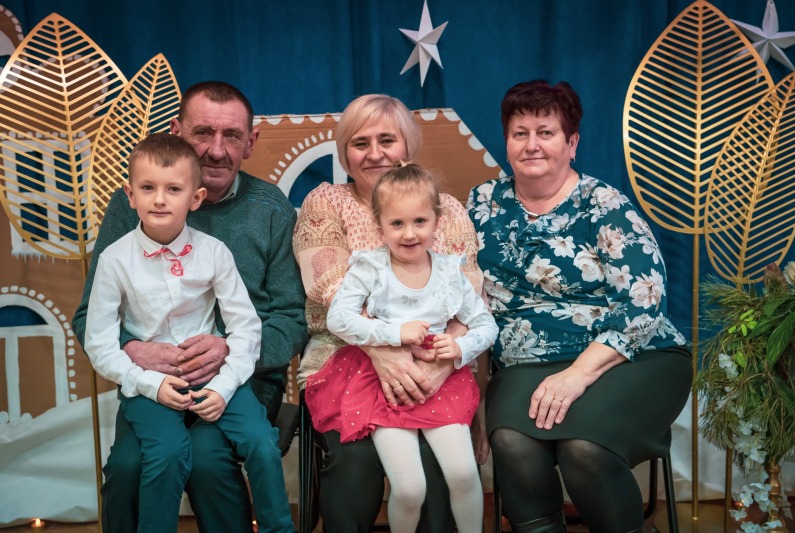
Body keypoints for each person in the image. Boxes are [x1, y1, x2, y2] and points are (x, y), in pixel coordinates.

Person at [72, 81, 307, 533]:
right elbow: (90, 318)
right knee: (127, 467)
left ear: (250, 142)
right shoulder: (133, 206)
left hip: (245, 374)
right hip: (152, 374)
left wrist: (230, 350)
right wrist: (133, 349)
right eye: (203, 133)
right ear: (177, 131)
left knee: (206, 459)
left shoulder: (270, 209)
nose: (216, 150)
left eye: (231, 136)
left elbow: (292, 319)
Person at [465, 79, 692, 533]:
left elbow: (643, 304)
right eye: (520, 133)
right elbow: (466, 300)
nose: (531, 144)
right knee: (512, 442)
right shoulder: (481, 203)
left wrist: (576, 376)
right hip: (524, 364)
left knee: (584, 451)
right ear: (506, 142)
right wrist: (477, 394)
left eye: (546, 132)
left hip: (630, 357)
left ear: (572, 143)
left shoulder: (605, 206)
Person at [293, 94, 488, 532]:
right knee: (357, 457)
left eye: (387, 140)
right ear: (344, 152)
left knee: (444, 465)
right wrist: (385, 349)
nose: (375, 153)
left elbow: (468, 293)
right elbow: (329, 287)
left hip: (436, 361)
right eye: (360, 143)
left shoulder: (445, 208)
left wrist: (442, 364)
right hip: (344, 358)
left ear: (408, 146)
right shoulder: (327, 201)